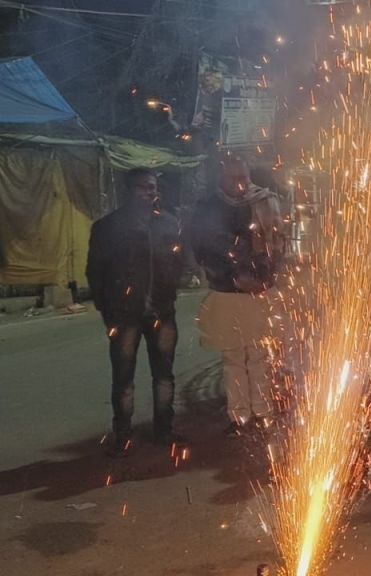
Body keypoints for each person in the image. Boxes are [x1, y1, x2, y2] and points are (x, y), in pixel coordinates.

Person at [86, 168, 185, 456]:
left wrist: (171, 289)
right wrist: (107, 310)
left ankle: (164, 430)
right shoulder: (108, 227)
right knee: (123, 377)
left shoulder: (168, 223)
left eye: (152, 187)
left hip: (162, 311)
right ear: (128, 191)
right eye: (142, 187)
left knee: (164, 375)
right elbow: (95, 272)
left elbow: (178, 259)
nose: (149, 192)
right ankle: (123, 435)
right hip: (124, 314)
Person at [191, 156, 284, 437]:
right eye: (233, 178)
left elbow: (278, 244)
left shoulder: (265, 201)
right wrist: (233, 277)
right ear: (222, 179)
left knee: (259, 356)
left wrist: (264, 279)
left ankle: (264, 413)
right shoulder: (208, 207)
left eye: (243, 177)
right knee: (233, 358)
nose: (239, 183)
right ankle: (239, 416)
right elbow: (203, 250)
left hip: (259, 292)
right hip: (227, 293)